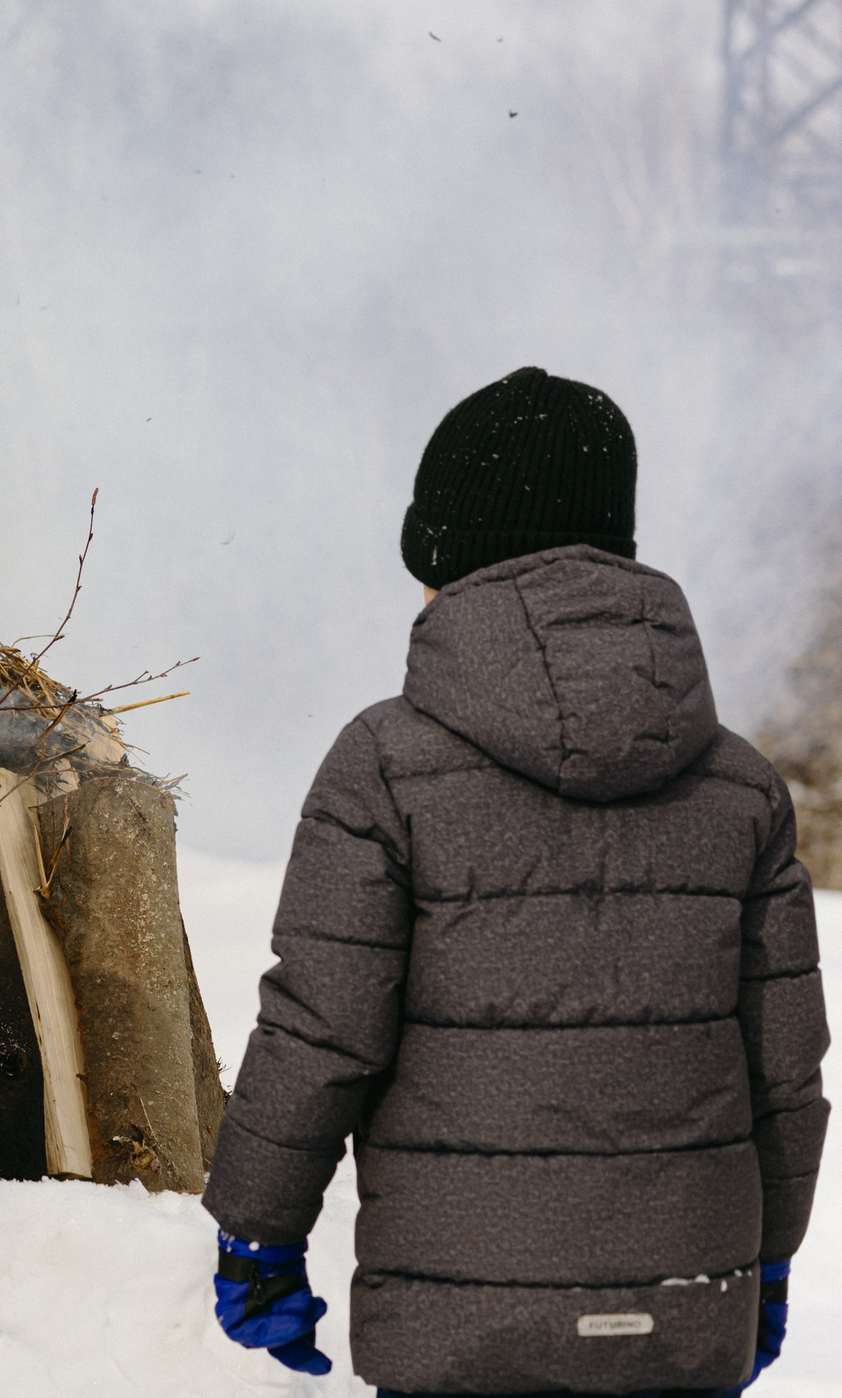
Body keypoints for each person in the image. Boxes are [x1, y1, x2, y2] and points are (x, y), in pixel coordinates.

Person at [203, 366, 829, 1397]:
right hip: (681, 1314)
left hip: (457, 1331)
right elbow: (784, 1066)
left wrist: (258, 1231)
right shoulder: (739, 785)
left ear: (447, 554)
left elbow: (322, 1027)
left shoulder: (382, 763)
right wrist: (765, 1258)